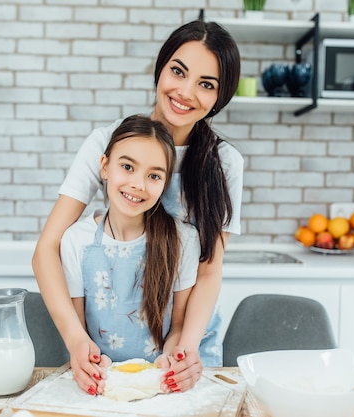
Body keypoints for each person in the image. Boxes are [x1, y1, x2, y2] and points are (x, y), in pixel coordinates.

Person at [32, 19, 243, 394]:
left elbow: (209, 270)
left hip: (189, 344)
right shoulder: (109, 141)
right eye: (178, 71)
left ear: (219, 98)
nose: (186, 92)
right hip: (109, 351)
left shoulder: (224, 163)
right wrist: (76, 339)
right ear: (160, 68)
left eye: (206, 84)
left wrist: (184, 347)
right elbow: (47, 249)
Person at [60, 115, 200, 395]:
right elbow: (80, 331)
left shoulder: (184, 239)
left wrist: (172, 360)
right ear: (104, 167)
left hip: (159, 384)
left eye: (154, 176)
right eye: (127, 167)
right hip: (99, 383)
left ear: (164, 184)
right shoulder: (76, 241)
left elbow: (179, 326)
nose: (138, 184)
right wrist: (94, 365)